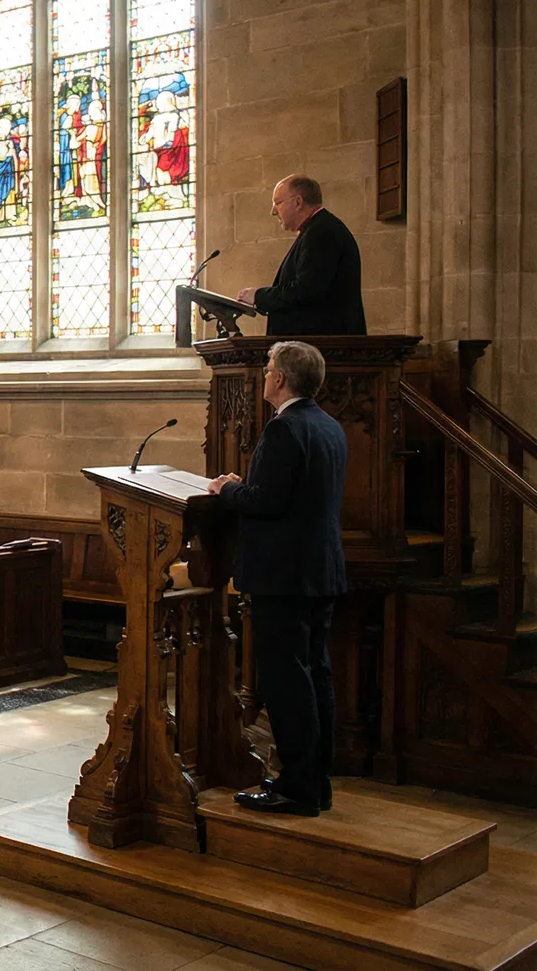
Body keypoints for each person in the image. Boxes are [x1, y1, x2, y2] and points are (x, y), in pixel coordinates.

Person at [207, 341, 348, 817]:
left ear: (282, 379)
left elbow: (266, 502)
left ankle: (296, 786)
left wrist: (228, 489)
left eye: (268, 368)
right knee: (315, 675)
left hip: (283, 575)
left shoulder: (285, 429)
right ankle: (316, 781)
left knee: (288, 680)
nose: (264, 375)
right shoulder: (328, 426)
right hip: (319, 570)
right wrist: (245, 488)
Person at [235, 175, 366, 336]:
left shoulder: (322, 232)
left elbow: (306, 290)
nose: (273, 211)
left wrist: (258, 296)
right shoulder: (316, 229)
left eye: (277, 203)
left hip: (323, 346)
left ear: (298, 202)